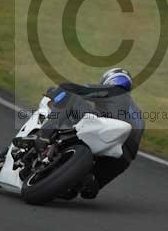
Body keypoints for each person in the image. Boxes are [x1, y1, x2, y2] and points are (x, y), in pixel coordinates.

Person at [42, 68, 145, 199]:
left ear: (108, 80)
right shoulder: (138, 114)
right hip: (124, 157)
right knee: (89, 189)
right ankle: (86, 181)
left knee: (69, 94)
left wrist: (55, 92)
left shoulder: (112, 91)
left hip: (105, 130)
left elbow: (76, 90)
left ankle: (44, 133)